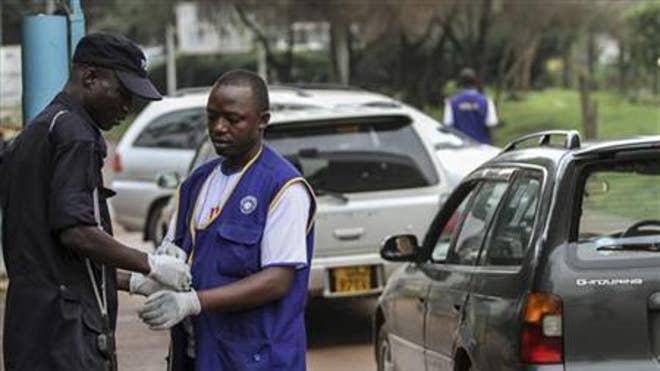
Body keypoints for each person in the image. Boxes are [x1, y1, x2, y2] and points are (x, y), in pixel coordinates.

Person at [0, 33, 192, 371]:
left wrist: (129, 281)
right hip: (65, 336)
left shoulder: (39, 131)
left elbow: (56, 258)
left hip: (33, 329)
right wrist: (150, 264)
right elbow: (76, 232)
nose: (127, 107)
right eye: (123, 93)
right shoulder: (75, 134)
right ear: (90, 77)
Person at [137, 70, 317, 371]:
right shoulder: (196, 183)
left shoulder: (283, 187)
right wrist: (140, 280)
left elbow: (277, 281)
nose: (219, 128)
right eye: (212, 117)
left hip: (256, 359)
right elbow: (173, 262)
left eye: (233, 119)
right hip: (199, 354)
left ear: (262, 120)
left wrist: (194, 302)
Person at [443, 67, 499, 144]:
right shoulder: (486, 101)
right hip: (482, 147)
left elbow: (448, 125)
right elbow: (491, 124)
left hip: (459, 148)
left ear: (460, 83)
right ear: (475, 82)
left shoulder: (451, 102)